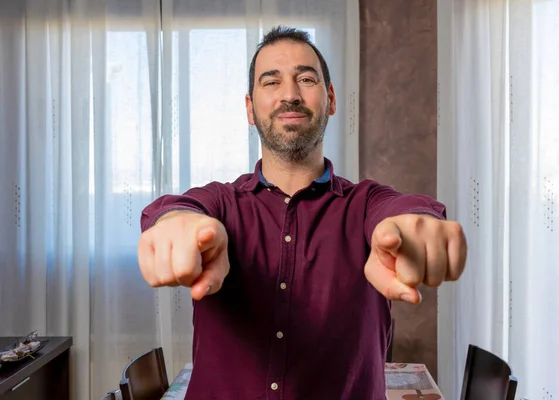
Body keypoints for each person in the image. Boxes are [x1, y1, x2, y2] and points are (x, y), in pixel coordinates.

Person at [138, 26, 467, 400]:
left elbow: (402, 210)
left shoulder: (365, 205)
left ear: (330, 99)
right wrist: (176, 223)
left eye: (306, 79)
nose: (290, 95)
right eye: (271, 82)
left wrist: (415, 225)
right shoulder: (221, 204)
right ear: (250, 109)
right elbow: (179, 210)